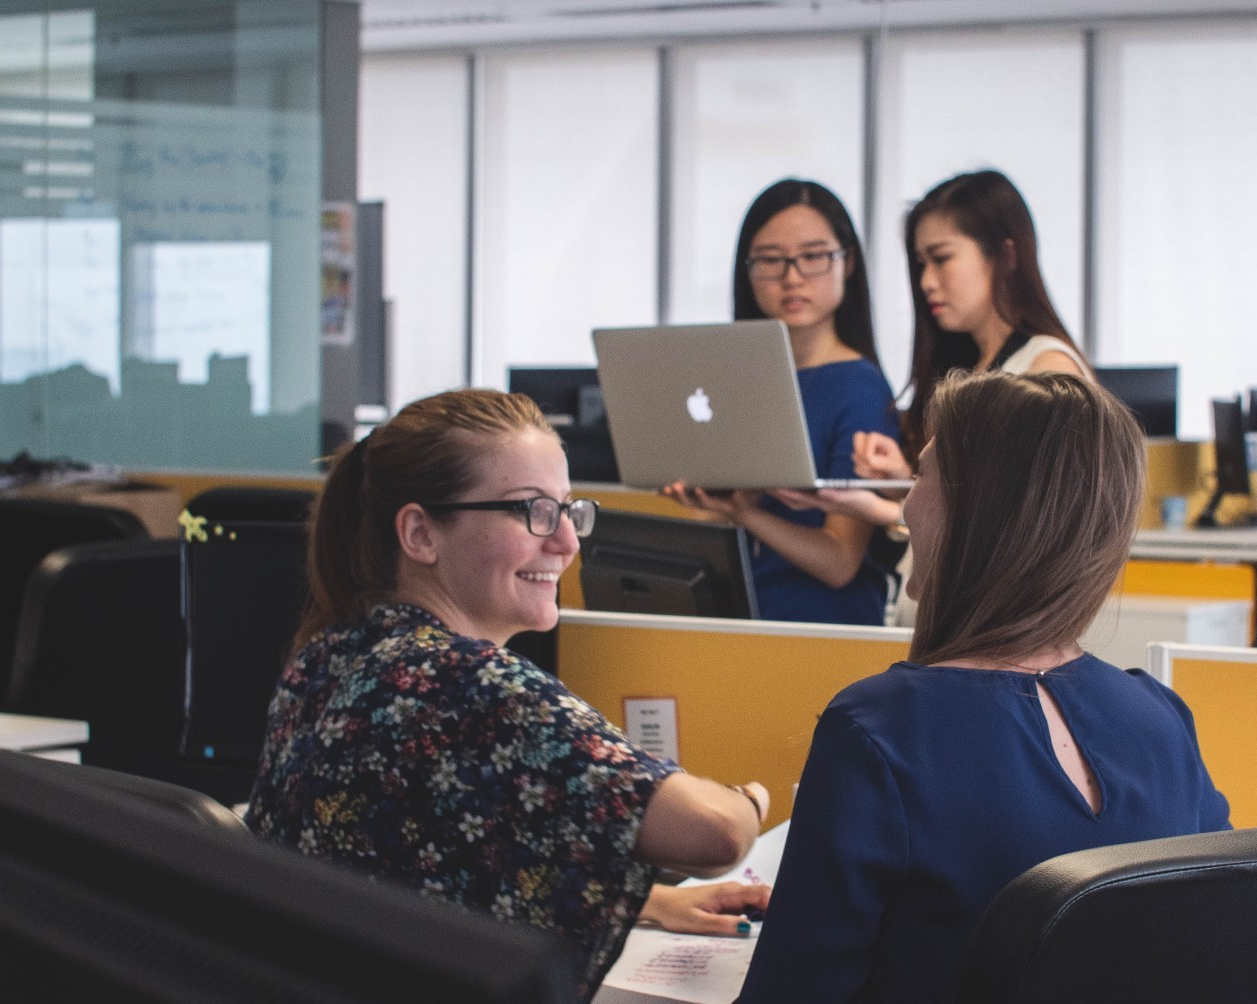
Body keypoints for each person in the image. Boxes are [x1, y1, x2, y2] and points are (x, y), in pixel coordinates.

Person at [245, 388, 771, 1001]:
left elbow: (414, 865)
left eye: (568, 511)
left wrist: (641, 901)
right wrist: (750, 799)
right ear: (419, 533)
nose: (567, 542)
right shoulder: (474, 686)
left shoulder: (329, 653)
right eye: (532, 512)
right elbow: (716, 835)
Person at [737, 371, 1231, 1003]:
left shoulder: (879, 731)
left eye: (922, 476)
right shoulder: (1161, 718)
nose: (907, 505)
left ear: (978, 511)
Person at [777, 169, 1091, 538]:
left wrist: (884, 509)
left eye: (941, 259)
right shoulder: (977, 367)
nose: (926, 282)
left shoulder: (1047, 369)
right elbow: (970, 501)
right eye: (921, 264)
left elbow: (1025, 531)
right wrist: (903, 483)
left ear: (1004, 255)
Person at [665, 178, 900, 625]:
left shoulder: (858, 385)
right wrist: (714, 506)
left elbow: (839, 562)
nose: (791, 277)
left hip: (820, 631)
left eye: (813, 257)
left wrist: (744, 513)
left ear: (847, 263)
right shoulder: (740, 378)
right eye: (771, 261)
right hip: (743, 620)